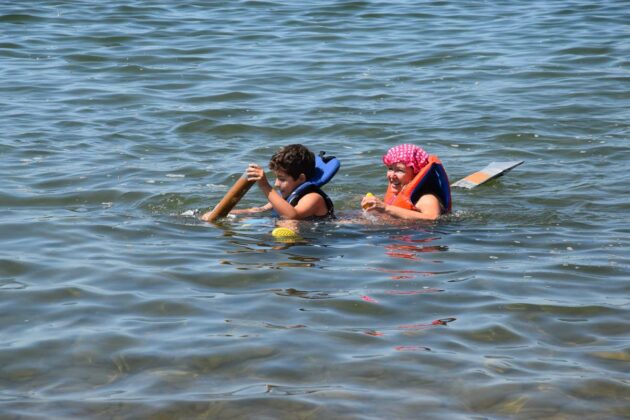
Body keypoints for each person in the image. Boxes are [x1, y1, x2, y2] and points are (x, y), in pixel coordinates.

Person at [203, 144, 334, 220]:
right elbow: (257, 210)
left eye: (282, 179)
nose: (276, 184)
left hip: (312, 240)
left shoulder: (313, 198)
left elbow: (292, 215)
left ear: (301, 178)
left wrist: (265, 186)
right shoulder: (286, 197)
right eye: (276, 178)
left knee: (289, 224)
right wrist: (223, 213)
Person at [361, 144, 451, 221]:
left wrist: (386, 208)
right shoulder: (399, 192)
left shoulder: (427, 198)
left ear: (416, 172)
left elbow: (433, 218)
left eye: (399, 170)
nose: (392, 175)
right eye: (390, 169)